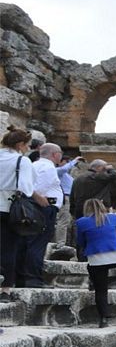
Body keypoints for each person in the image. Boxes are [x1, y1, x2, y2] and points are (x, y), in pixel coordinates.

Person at [0, 126, 48, 302]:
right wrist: (38, 196)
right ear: (20, 144)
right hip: (10, 209)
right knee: (9, 249)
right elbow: (26, 188)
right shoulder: (22, 161)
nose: (28, 148)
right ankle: (5, 289)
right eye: (26, 145)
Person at [75, 199, 116, 327]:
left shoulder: (81, 222)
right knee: (98, 270)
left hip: (97, 258)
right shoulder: (113, 218)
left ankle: (103, 318)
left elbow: (80, 242)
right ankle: (95, 282)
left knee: (101, 289)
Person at [18, 143, 63, 288]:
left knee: (29, 243)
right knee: (37, 244)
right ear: (55, 154)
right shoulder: (47, 167)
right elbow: (37, 189)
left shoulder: (35, 165)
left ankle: (24, 277)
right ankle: (33, 278)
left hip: (36, 209)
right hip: (43, 209)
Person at [55, 155, 83, 246]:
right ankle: (60, 243)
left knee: (67, 221)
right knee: (63, 221)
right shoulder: (58, 171)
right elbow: (64, 169)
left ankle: (65, 242)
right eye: (66, 162)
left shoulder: (68, 176)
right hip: (64, 197)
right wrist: (74, 160)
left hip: (70, 198)